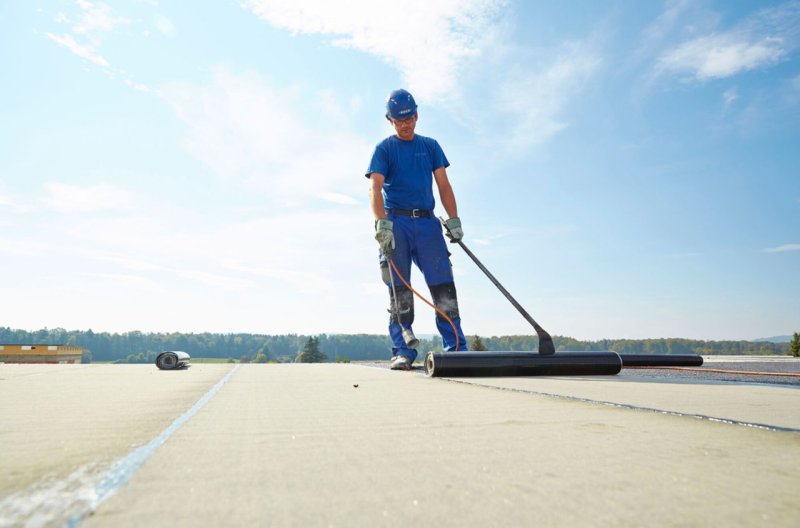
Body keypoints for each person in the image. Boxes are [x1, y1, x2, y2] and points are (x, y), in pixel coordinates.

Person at [365, 88, 468, 370]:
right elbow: (374, 187)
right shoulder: (384, 149)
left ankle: (456, 348)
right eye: (399, 121)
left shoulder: (430, 146)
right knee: (400, 290)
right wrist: (381, 224)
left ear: (417, 115)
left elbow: (444, 185)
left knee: (443, 286)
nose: (405, 125)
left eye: (409, 119)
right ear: (390, 120)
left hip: (427, 223)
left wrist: (454, 219)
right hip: (395, 223)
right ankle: (402, 351)